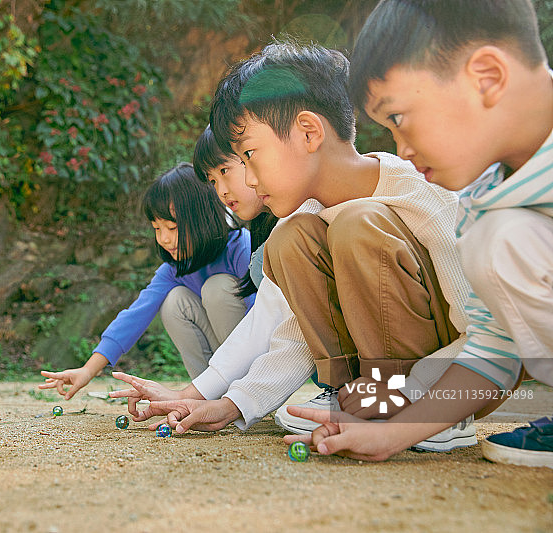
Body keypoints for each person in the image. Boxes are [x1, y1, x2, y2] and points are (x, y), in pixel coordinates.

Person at [114, 40, 476, 452]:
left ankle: (413, 408)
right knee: (290, 238)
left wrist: (415, 395)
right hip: (375, 389)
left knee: (357, 224)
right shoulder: (304, 222)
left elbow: (484, 332)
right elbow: (295, 331)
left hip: (439, 384)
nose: (249, 179)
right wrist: (232, 404)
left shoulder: (420, 195)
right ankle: (349, 394)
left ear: (308, 132)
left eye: (250, 154)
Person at [283, 0, 553, 468]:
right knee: (500, 240)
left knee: (503, 241)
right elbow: (494, 350)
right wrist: (391, 432)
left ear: (487, 77)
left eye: (398, 118)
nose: (401, 148)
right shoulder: (487, 201)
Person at [39, 163, 253, 399]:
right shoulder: (175, 269)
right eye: (157, 228)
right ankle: (206, 396)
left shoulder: (241, 247)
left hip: (254, 361)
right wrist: (88, 370)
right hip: (220, 371)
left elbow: (265, 317)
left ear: (203, 219)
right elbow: (135, 315)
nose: (164, 239)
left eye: (172, 227)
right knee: (174, 301)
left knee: (218, 287)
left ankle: (244, 394)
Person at [193, 124, 278, 296]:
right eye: (213, 181)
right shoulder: (262, 228)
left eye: (224, 171)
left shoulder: (297, 223)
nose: (221, 191)